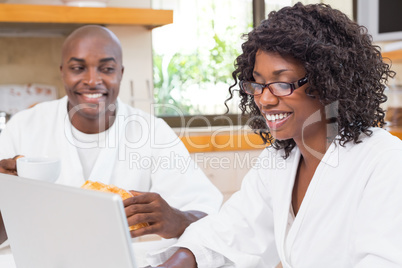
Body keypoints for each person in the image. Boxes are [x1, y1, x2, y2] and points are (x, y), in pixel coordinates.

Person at [148, 3, 402, 268]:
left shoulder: (385, 163)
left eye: (282, 82)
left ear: (329, 81)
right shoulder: (281, 159)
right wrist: (179, 260)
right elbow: (232, 232)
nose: (264, 99)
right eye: (258, 83)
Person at [0, 25, 222, 250]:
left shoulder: (152, 131)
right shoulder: (23, 127)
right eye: (78, 68)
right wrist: (5, 196)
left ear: (121, 73)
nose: (92, 80)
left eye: (106, 69)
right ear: (62, 72)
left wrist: (177, 220)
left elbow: (210, 216)